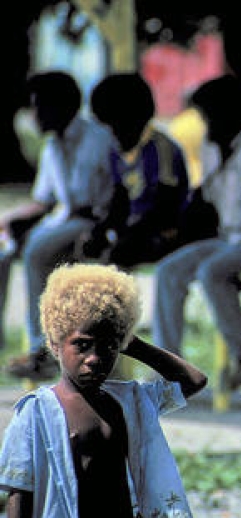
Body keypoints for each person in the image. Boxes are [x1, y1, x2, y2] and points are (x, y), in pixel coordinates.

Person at [0, 263, 208, 518]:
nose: (95, 358)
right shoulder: (37, 412)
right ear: (56, 343)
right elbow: (20, 490)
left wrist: (132, 342)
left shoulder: (130, 401)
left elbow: (194, 380)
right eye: (82, 345)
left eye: (108, 347)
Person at [151, 74, 241, 389]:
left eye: (209, 115)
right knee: (169, 271)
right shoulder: (212, 146)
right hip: (229, 239)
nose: (206, 123)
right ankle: (167, 364)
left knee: (210, 271)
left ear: (232, 115)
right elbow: (204, 200)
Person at [0, 70, 117, 378]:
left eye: (39, 106)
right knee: (2, 248)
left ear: (63, 106)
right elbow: (45, 200)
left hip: (92, 222)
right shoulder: (52, 146)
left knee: (38, 249)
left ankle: (43, 350)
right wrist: (8, 220)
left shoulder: (97, 139)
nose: (34, 115)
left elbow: (93, 202)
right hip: (62, 220)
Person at [84, 72, 190, 268]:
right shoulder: (116, 150)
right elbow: (120, 200)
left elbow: (166, 205)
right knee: (89, 248)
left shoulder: (161, 148)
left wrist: (132, 232)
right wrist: (104, 228)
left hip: (164, 230)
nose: (111, 131)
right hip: (134, 229)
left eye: (112, 122)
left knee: (118, 256)